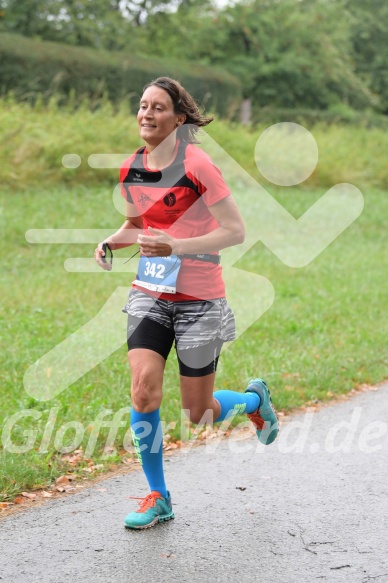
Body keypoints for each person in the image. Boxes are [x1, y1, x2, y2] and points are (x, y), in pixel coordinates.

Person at [94, 77, 278, 530]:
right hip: (150, 293)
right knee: (143, 388)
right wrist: (112, 242)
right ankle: (158, 495)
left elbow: (235, 231)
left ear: (179, 118)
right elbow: (138, 224)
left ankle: (254, 400)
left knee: (197, 413)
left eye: (158, 107)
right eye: (142, 106)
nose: (146, 114)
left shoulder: (197, 164)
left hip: (200, 297)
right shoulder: (132, 168)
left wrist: (175, 246)